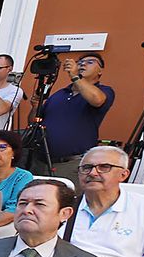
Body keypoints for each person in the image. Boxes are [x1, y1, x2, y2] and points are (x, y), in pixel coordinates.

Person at [34, 53, 113, 186]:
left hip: (71, 164)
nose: (82, 64)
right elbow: (34, 120)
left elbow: (97, 100)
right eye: (80, 62)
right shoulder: (59, 94)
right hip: (41, 161)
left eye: (90, 62)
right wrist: (35, 107)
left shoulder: (104, 90)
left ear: (100, 71)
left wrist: (75, 76)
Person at [0, 129, 35, 227]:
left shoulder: (22, 177)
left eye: (2, 147)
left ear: (13, 153)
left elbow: (13, 211)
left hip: (2, 228)